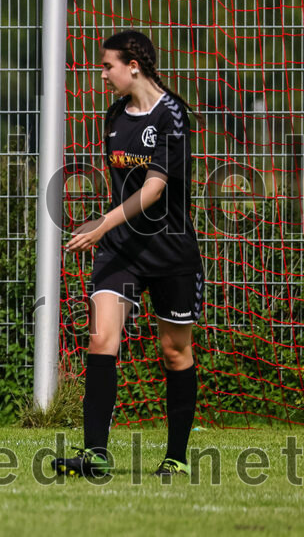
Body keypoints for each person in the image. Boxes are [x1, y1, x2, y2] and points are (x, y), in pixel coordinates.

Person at [54, 30, 203, 478]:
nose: (102, 74)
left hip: (170, 250)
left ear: (133, 65)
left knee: (175, 351)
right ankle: (96, 455)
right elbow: (126, 187)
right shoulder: (115, 115)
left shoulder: (173, 116)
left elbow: (155, 190)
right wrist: (110, 231)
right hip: (122, 250)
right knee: (101, 338)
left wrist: (100, 225)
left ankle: (175, 457)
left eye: (107, 66)